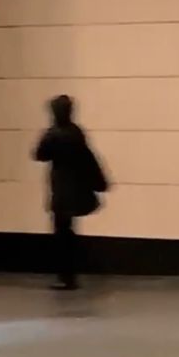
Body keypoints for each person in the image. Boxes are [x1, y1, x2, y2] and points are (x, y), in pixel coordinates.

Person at [34, 94, 108, 291]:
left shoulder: (55, 134)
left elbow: (40, 154)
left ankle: (66, 276)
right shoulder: (76, 133)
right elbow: (88, 158)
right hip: (75, 188)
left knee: (62, 232)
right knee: (67, 231)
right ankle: (70, 274)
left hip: (62, 189)